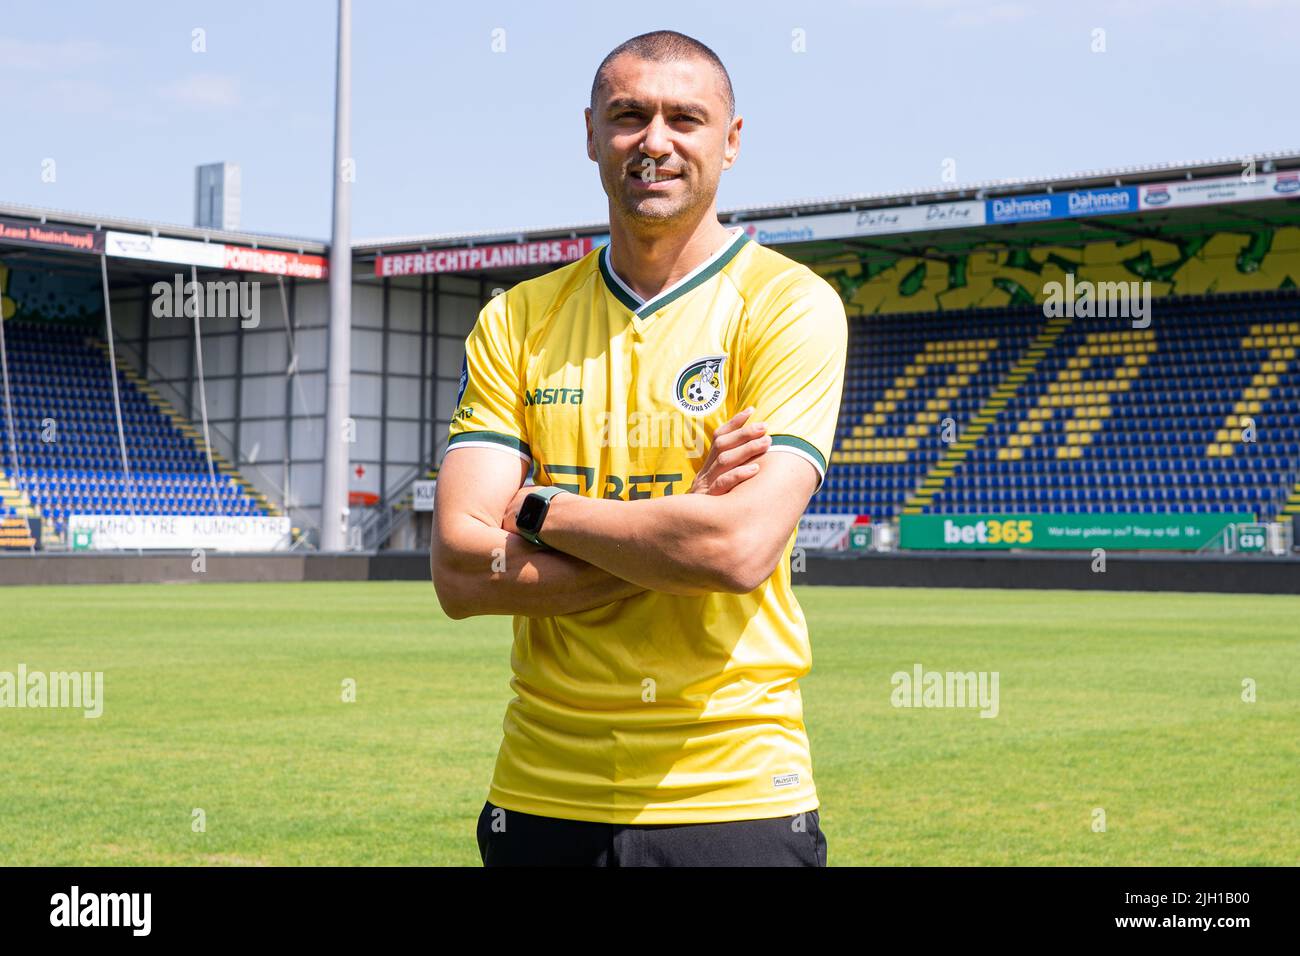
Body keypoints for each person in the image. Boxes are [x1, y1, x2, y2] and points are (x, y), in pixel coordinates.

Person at [431, 29, 847, 866]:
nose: (655, 141)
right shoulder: (517, 319)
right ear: (591, 133)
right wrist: (670, 530)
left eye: (685, 118)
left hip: (735, 797)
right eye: (629, 116)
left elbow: (732, 549)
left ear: (730, 141)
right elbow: (460, 569)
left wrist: (545, 509)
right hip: (538, 795)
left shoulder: (789, 307)